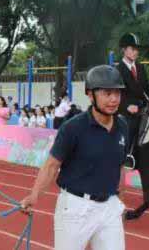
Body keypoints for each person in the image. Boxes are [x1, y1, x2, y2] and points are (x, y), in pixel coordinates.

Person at [21, 65, 128, 250]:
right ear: (90, 94)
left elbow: (119, 163)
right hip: (76, 209)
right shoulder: (73, 128)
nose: (113, 99)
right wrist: (34, 195)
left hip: (109, 207)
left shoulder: (122, 125)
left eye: (117, 93)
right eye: (107, 93)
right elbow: (52, 165)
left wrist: (120, 193)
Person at [116, 33, 149, 168]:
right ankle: (126, 156)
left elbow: (147, 87)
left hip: (142, 107)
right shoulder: (118, 70)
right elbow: (117, 94)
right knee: (132, 126)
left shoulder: (140, 67)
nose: (136, 52)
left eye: (137, 49)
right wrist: (127, 106)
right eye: (132, 49)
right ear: (124, 49)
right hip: (126, 110)